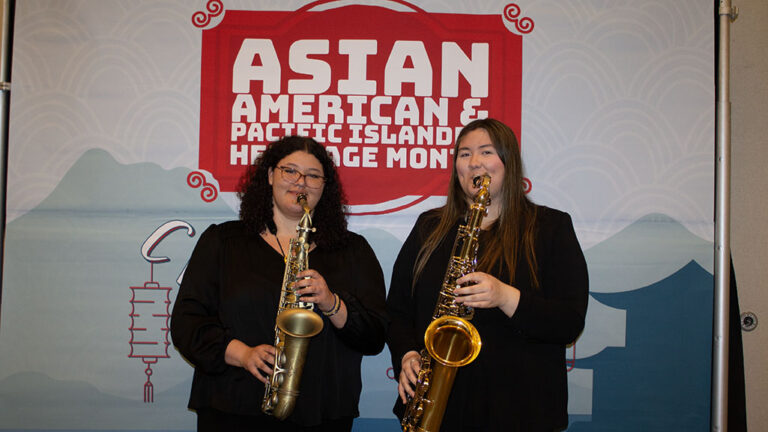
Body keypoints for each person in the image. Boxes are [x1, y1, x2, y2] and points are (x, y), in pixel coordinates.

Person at [171, 136, 388, 432]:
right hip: (233, 407)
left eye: (313, 175)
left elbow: (375, 335)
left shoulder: (354, 251)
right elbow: (187, 323)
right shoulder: (222, 242)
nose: (301, 182)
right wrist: (242, 354)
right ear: (271, 175)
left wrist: (331, 302)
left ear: (324, 186)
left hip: (322, 411)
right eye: (290, 171)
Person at [386, 118, 589, 432]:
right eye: (464, 154)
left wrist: (506, 297)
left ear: (509, 163)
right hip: (439, 406)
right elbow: (398, 310)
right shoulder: (430, 227)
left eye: (486, 152)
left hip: (520, 409)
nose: (474, 162)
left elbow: (569, 321)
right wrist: (407, 354)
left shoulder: (550, 227)